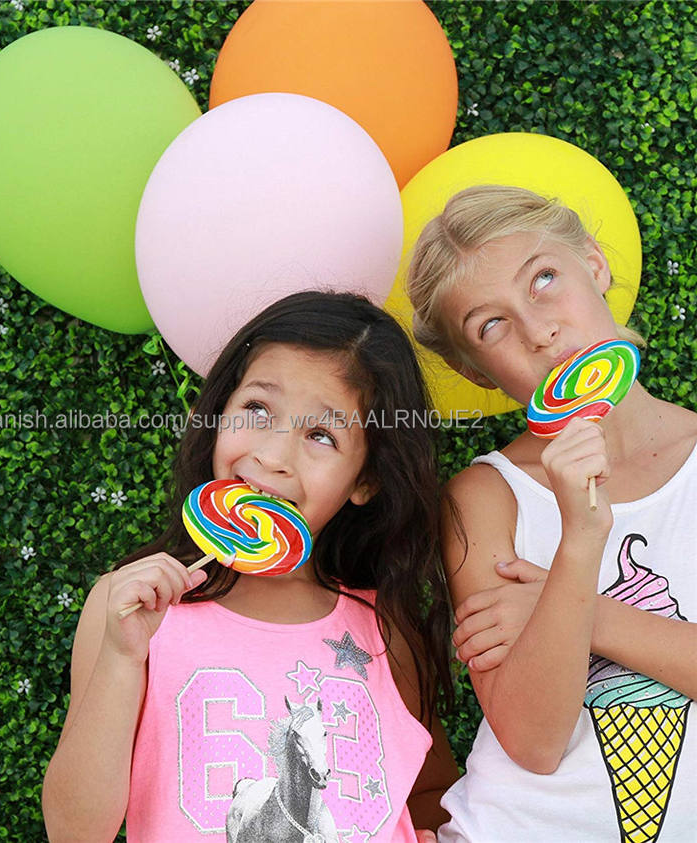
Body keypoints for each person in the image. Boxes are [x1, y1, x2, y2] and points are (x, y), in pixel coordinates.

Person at [42, 291, 459, 842]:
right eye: (258, 410)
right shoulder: (131, 609)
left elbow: (429, 794)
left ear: (366, 479)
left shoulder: (385, 631)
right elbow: (74, 831)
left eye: (321, 435)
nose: (272, 456)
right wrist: (122, 657)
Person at [406, 184, 697, 842]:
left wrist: (573, 610)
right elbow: (534, 742)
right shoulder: (486, 497)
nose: (539, 332)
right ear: (475, 371)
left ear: (594, 263)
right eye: (491, 326)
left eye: (543, 278)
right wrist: (580, 541)